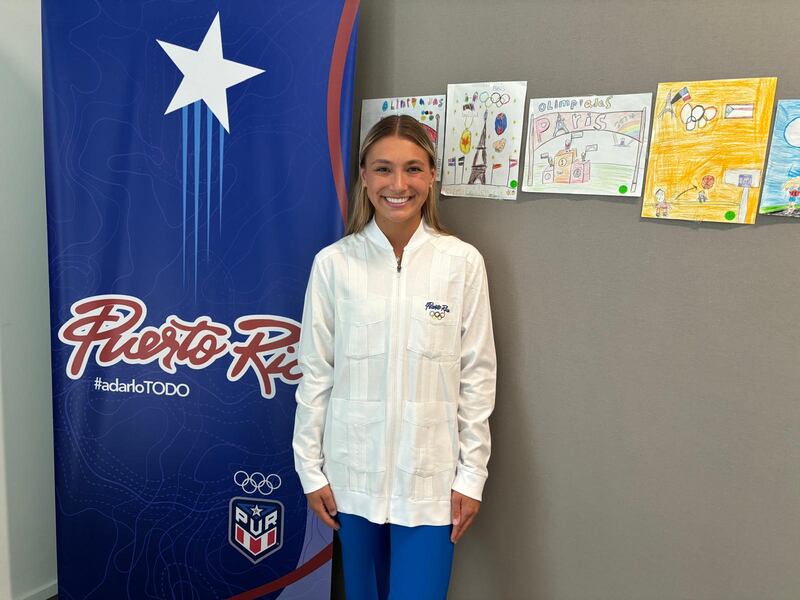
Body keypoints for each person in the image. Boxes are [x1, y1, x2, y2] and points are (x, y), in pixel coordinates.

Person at [292, 115, 496, 599]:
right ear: (365, 176)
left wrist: (472, 475)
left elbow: (478, 376)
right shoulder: (335, 264)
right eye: (383, 169)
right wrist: (310, 468)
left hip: (430, 484)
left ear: (431, 177)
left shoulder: (461, 263)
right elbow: (315, 373)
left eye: (413, 169)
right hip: (351, 478)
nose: (398, 185)